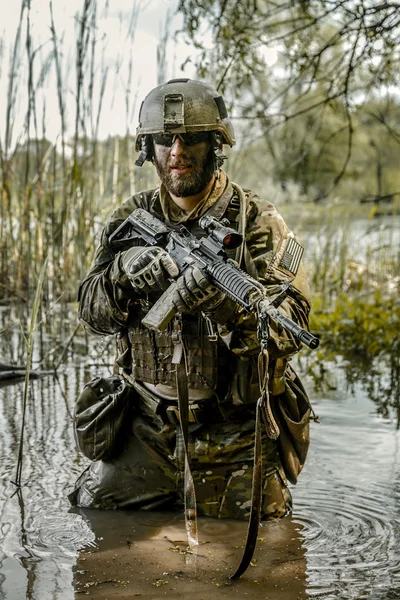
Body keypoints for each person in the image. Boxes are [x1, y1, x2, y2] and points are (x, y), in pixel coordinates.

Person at [69, 78, 313, 522]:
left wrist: (225, 306)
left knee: (273, 550)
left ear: (215, 145)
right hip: (145, 427)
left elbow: (287, 328)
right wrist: (124, 274)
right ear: (149, 148)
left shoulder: (258, 222)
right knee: (92, 519)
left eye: (192, 139)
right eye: (165, 139)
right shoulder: (130, 218)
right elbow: (91, 312)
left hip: (233, 433)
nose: (177, 152)